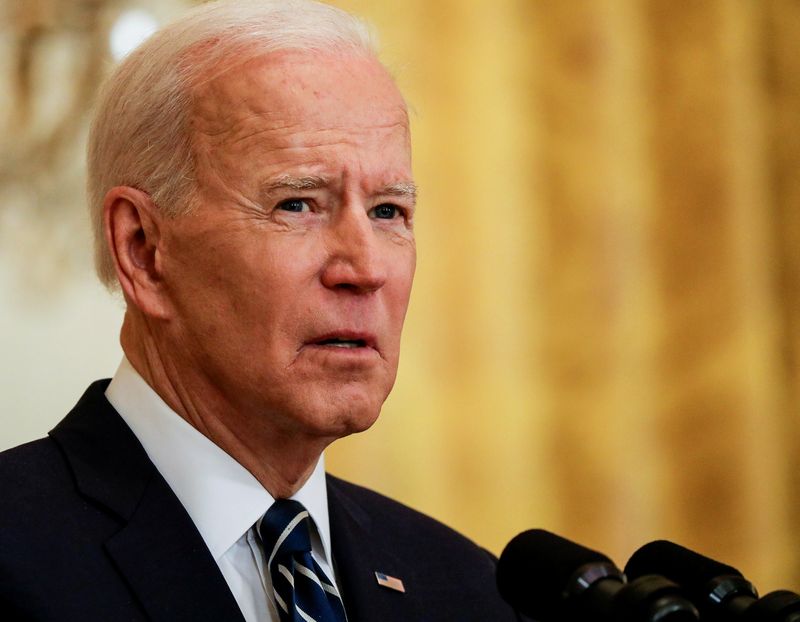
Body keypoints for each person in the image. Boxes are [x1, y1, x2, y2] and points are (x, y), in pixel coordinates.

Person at [0, 1, 524, 620]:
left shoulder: (467, 587)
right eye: (298, 204)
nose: (365, 270)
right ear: (143, 249)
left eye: (388, 212)